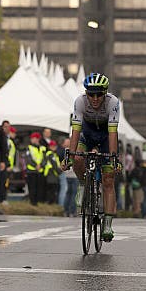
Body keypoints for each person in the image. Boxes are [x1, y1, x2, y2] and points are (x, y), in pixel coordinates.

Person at [62, 72, 120, 241]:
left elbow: (112, 133)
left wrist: (113, 157)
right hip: (86, 135)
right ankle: (82, 183)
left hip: (105, 137)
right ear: (86, 93)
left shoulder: (113, 103)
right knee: (78, 158)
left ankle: (107, 225)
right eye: (91, 93)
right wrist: (70, 157)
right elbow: (76, 131)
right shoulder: (80, 102)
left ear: (106, 92)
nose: (95, 98)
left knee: (108, 179)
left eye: (99, 94)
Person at [24, 132, 46, 205]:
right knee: (32, 188)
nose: (32, 140)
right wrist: (36, 165)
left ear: (38, 139)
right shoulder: (29, 147)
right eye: (32, 138)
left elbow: (45, 159)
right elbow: (28, 159)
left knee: (39, 188)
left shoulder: (43, 148)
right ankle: (32, 203)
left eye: (34, 138)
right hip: (31, 171)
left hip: (40, 171)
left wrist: (41, 165)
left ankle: (37, 202)